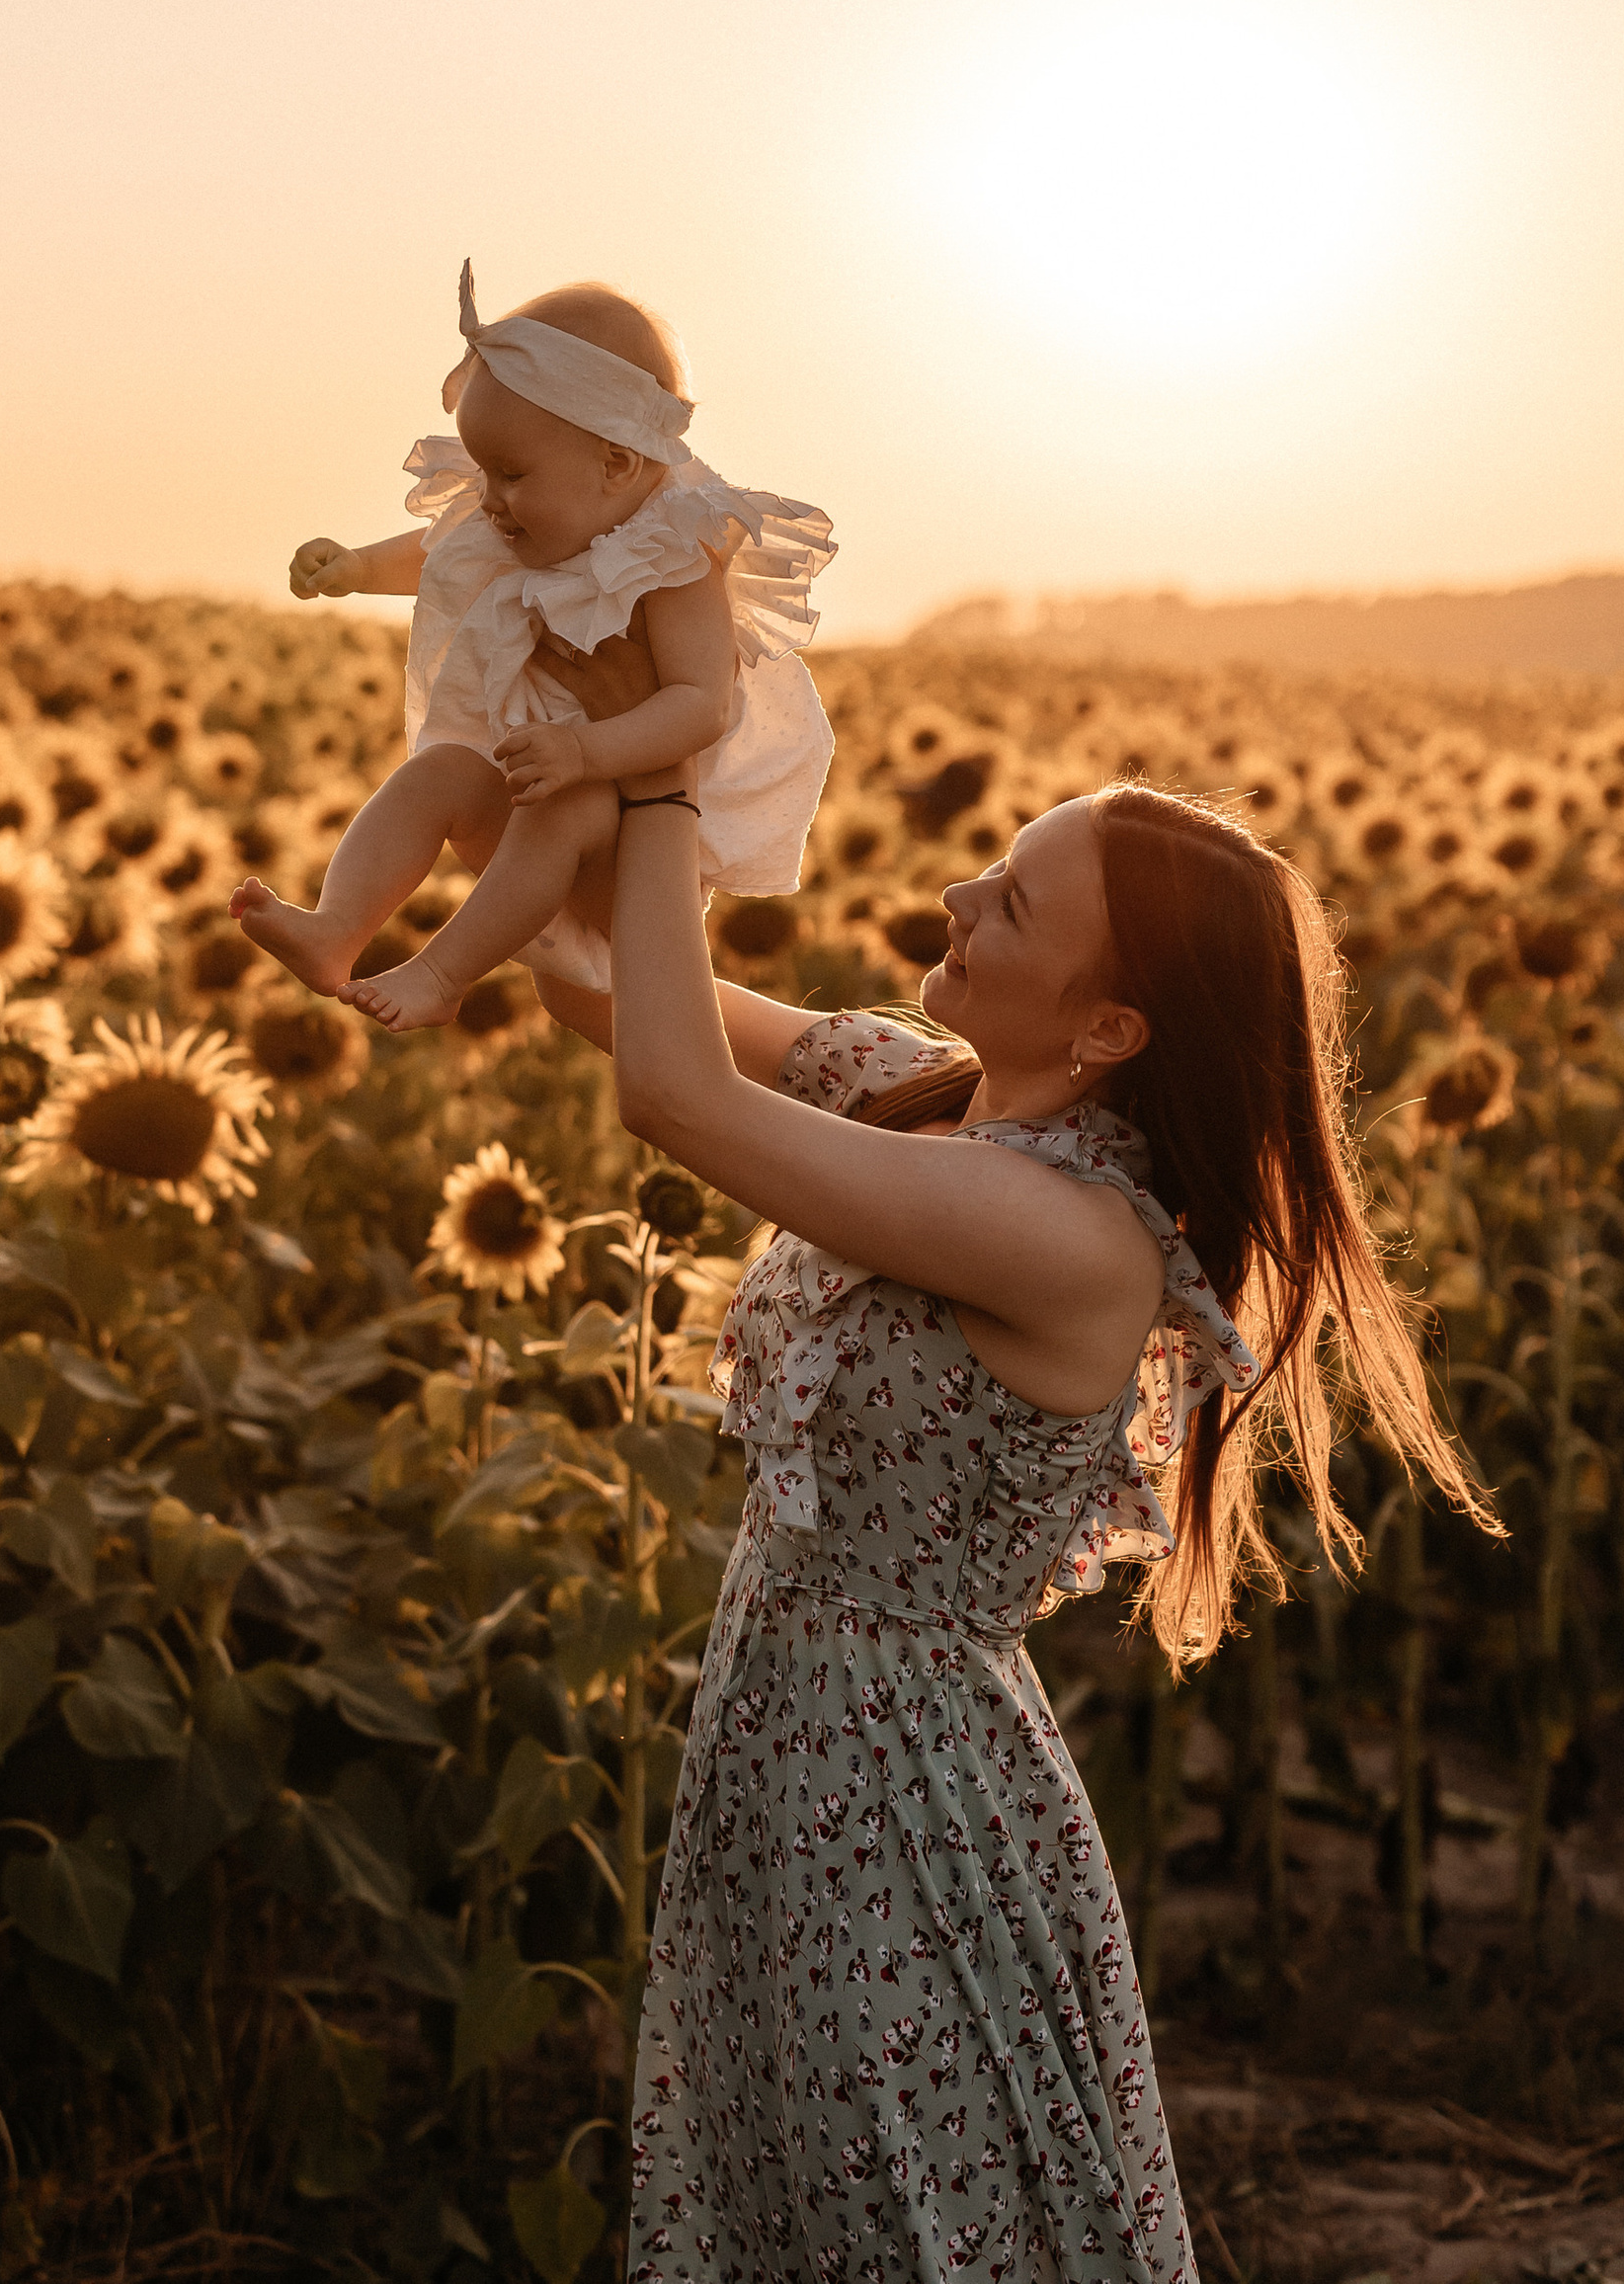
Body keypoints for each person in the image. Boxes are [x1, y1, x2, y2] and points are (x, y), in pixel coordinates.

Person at [523, 620, 1498, 2284]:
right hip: (797, 1747)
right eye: (997, 866)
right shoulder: (937, 1095)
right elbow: (601, 986)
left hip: (892, 1793)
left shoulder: (1063, 1233)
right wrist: (533, 705)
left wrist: (674, 767)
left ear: (1110, 1028)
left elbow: (670, 1095)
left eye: (1015, 905)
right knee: (803, 2198)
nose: (958, 899)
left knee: (902, 2213)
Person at [232, 263, 836, 1029]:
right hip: (530, 812)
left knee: (567, 801)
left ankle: (444, 974)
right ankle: (337, 928)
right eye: (484, 470)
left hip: (635, 861)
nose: (489, 498)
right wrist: (354, 568)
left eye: (511, 474)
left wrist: (586, 753)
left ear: (616, 463)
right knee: (440, 771)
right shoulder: (531, 514)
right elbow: (445, 550)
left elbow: (698, 705)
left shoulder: (674, 557)